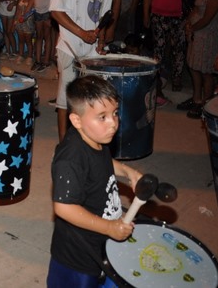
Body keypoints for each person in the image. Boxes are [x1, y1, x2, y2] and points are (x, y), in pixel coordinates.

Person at [47, 75, 143, 287]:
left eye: (115, 114)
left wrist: (128, 172)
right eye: (102, 117)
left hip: (102, 244)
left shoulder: (94, 137)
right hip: (78, 258)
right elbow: (64, 207)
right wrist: (109, 227)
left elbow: (101, 161)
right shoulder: (69, 158)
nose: (113, 124)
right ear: (76, 120)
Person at [50, 0, 114, 142]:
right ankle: (63, 143)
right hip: (70, 46)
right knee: (65, 97)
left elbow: (104, 15)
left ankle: (87, 138)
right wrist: (80, 33)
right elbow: (56, 10)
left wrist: (101, 39)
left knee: (90, 97)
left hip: (92, 50)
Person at [142, 0, 200, 100]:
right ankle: (158, 80)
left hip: (180, 17)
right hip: (159, 16)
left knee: (179, 49)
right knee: (158, 49)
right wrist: (146, 14)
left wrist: (193, 17)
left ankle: (176, 77)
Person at [32, 0, 56, 72]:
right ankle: (37, 60)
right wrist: (25, 12)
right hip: (37, 12)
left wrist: (52, 14)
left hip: (47, 14)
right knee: (38, 37)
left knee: (47, 37)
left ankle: (46, 61)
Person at [12, 0, 35, 67]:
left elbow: (32, 11)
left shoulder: (32, 1)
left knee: (29, 41)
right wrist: (14, 23)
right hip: (19, 24)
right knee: (21, 40)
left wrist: (25, 16)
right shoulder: (20, 1)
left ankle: (30, 56)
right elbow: (17, 12)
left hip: (28, 24)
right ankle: (20, 55)